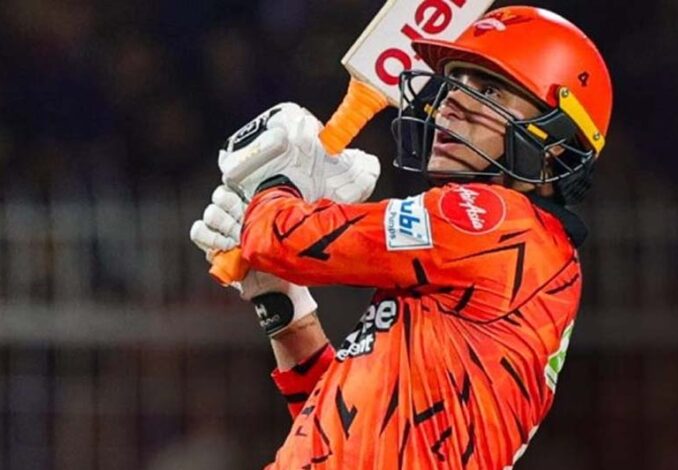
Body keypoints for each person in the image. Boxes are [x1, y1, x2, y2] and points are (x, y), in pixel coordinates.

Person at [190, 5, 612, 469]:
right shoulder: (517, 254)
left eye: (489, 89)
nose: (450, 102)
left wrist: (275, 186)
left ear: (556, 142)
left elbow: (283, 237)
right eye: (455, 82)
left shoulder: (494, 222)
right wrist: (284, 303)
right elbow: (339, 433)